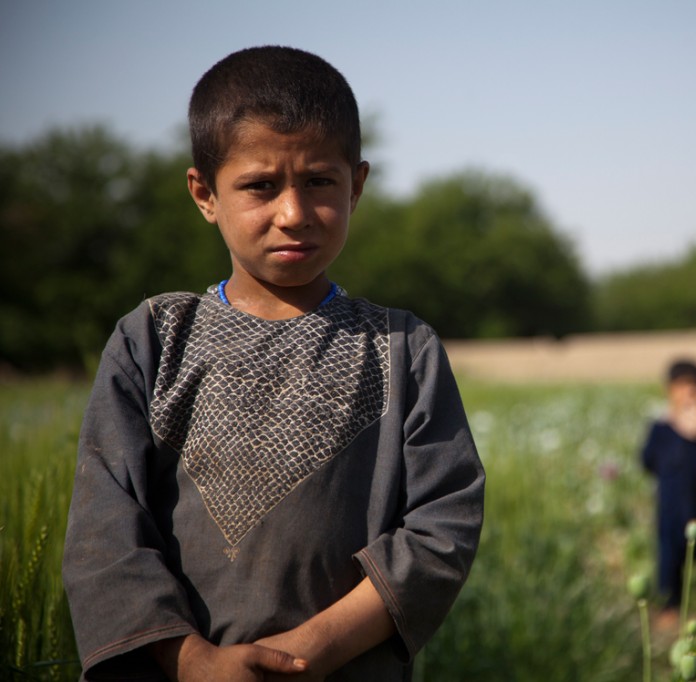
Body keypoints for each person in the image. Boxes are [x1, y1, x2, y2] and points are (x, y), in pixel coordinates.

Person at [62, 45, 485, 682]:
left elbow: (442, 526)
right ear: (204, 193)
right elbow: (105, 528)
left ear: (357, 185)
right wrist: (193, 660)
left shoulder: (402, 348)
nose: (293, 214)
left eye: (320, 182)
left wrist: (311, 652)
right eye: (260, 186)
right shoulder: (153, 338)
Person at [640, 359, 696, 623]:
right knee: (670, 555)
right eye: (684, 386)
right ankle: (669, 606)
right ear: (670, 390)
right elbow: (646, 459)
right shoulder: (661, 426)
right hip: (672, 504)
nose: (690, 392)